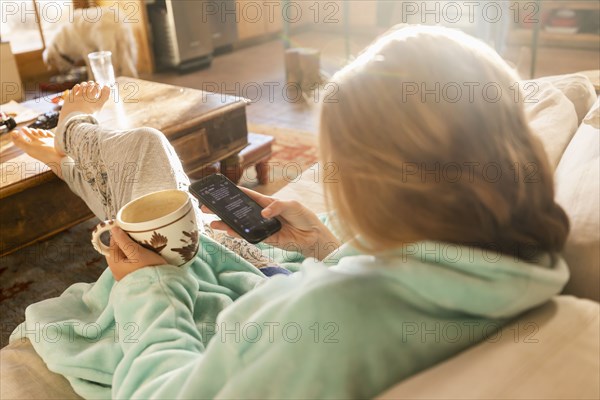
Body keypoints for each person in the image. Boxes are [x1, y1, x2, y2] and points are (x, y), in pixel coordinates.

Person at [10, 26, 569, 399]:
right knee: (148, 168)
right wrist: (324, 247)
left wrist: (147, 289)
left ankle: (71, 141)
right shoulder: (522, 258)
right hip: (268, 274)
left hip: (195, 298)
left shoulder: (334, 318)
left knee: (145, 157)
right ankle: (71, 149)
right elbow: (401, 280)